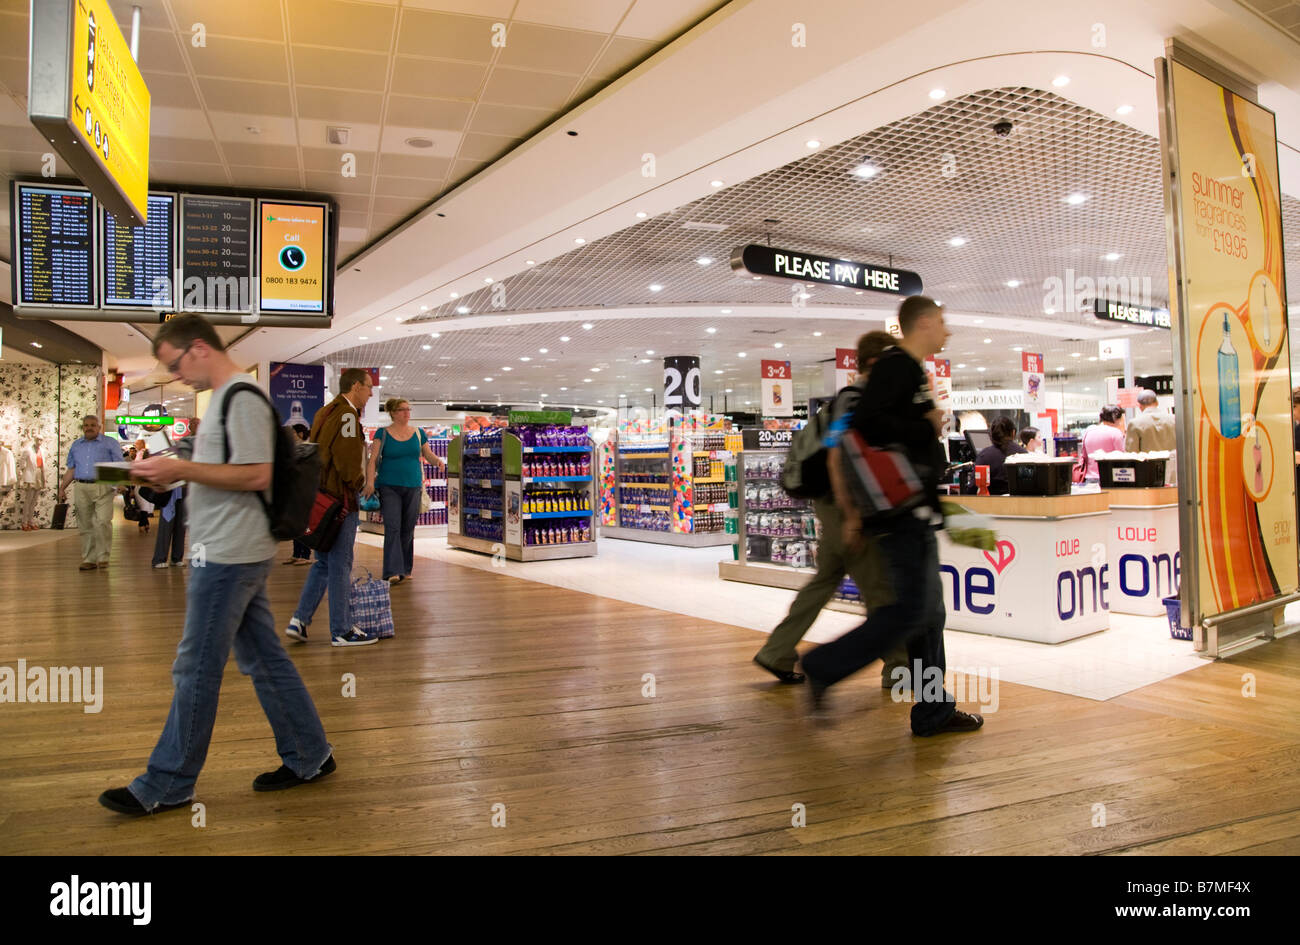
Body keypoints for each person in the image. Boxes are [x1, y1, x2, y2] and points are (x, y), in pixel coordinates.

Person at [98, 314, 334, 816]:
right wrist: (171, 475)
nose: (179, 376)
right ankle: (310, 754)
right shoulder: (229, 401)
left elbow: (255, 475)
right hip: (231, 550)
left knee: (196, 667)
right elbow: (224, 471)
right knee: (262, 659)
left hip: (230, 553)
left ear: (199, 348)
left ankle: (168, 783)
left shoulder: (241, 399)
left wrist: (180, 468)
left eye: (176, 365)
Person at [800, 296, 984, 736]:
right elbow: (870, 427)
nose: (948, 331)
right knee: (909, 615)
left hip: (909, 512)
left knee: (923, 615)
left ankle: (931, 709)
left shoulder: (909, 371)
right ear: (922, 323)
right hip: (898, 515)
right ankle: (824, 666)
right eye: (942, 321)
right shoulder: (897, 368)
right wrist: (928, 424)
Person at [753, 331, 907, 686]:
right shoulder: (858, 401)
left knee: (823, 583)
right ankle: (900, 670)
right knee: (881, 591)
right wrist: (853, 514)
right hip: (848, 508)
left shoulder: (846, 400)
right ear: (874, 363)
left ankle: (776, 651)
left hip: (832, 507)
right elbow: (843, 457)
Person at [286, 368, 376, 646]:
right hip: (341, 500)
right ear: (356, 386)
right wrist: (359, 483)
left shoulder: (324, 412)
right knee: (340, 564)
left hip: (322, 497)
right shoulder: (348, 415)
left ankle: (300, 620)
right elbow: (348, 460)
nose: (371, 393)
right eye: (369, 387)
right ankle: (342, 630)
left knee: (323, 562)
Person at [364, 398, 446, 585]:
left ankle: (406, 568)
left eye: (408, 409)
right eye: (402, 410)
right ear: (393, 412)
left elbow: (427, 454)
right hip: (389, 486)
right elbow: (373, 459)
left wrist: (437, 461)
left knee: (408, 529)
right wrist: (369, 482)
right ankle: (392, 570)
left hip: (413, 486)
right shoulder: (382, 433)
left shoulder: (418, 433)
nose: (407, 413)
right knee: (393, 527)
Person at [57, 415, 123, 571]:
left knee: (103, 521)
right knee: (85, 524)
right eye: (86, 425)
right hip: (81, 487)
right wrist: (62, 488)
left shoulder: (110, 443)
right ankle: (89, 559)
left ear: (99, 427)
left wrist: (120, 483)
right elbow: (71, 469)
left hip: (103, 487)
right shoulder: (76, 445)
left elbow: (119, 464)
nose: (89, 427)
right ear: (83, 427)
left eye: (93, 425)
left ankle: (103, 557)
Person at [282, 424, 313, 566]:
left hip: (304, 492)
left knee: (304, 525)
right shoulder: (293, 448)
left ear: (300, 434)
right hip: (294, 491)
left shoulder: (307, 447)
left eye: (293, 433)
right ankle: (296, 553)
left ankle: (305, 554)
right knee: (296, 525)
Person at [975, 417, 1027, 495]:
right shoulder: (1024, 453)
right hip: (1020, 504)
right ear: (1013, 433)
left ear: (991, 435)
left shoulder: (985, 455)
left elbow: (973, 488)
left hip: (991, 504)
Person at [1079, 406, 1126, 481]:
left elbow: (1084, 455)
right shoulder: (1116, 433)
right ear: (1115, 419)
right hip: (1109, 478)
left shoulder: (1089, 430)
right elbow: (1121, 458)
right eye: (1121, 420)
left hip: (1089, 477)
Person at [150, 485, 187, 569]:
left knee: (181, 525)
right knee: (166, 525)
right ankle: (159, 559)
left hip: (184, 488)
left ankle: (177, 558)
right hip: (169, 489)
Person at [17, 436, 46, 530]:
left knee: (34, 500)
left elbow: (42, 464)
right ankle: (24, 522)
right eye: (38, 440)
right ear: (35, 440)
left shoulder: (42, 450)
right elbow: (22, 462)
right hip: (31, 474)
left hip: (39, 474)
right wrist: (23, 471)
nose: (39, 442)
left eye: (41, 440)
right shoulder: (28, 450)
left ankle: (31, 521)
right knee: (28, 500)